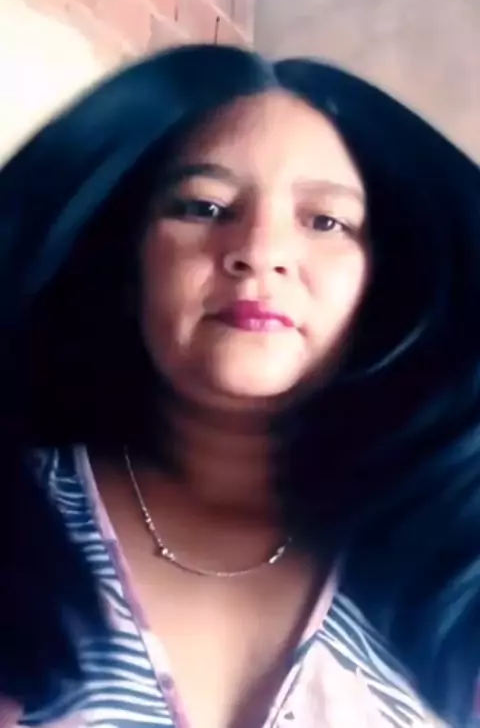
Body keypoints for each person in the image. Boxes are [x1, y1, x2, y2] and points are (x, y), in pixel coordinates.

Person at [0, 44, 478, 728]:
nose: (259, 251)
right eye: (204, 206)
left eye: (325, 221)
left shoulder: (454, 567)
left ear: (387, 280)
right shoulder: (22, 519)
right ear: (126, 260)